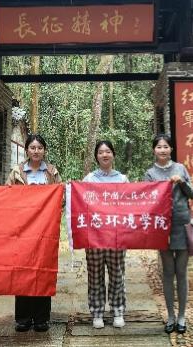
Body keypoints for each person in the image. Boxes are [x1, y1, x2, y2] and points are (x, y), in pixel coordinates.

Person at [5, 133, 61, 333]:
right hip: (23, 230)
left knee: (43, 271)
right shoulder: (16, 172)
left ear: (44, 150)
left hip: (45, 230)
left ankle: (41, 318)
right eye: (32, 147)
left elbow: (60, 197)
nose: (36, 151)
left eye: (39, 148)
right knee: (23, 271)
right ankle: (23, 318)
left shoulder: (52, 172)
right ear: (27, 150)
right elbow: (7, 197)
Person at [144, 134, 193, 335]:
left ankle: (182, 316)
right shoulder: (150, 173)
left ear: (171, 149)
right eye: (159, 147)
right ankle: (170, 316)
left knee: (181, 272)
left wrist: (181, 182)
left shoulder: (180, 168)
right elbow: (146, 201)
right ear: (154, 150)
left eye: (166, 146)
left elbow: (192, 194)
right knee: (167, 272)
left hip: (182, 223)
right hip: (162, 227)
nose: (162, 150)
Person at [82, 140, 130, 329]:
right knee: (95, 275)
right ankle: (97, 312)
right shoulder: (89, 179)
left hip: (116, 235)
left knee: (117, 273)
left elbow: (130, 205)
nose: (104, 155)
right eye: (101, 152)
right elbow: (81, 203)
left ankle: (118, 311)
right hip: (94, 236)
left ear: (113, 155)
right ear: (96, 156)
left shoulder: (122, 180)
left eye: (108, 151)